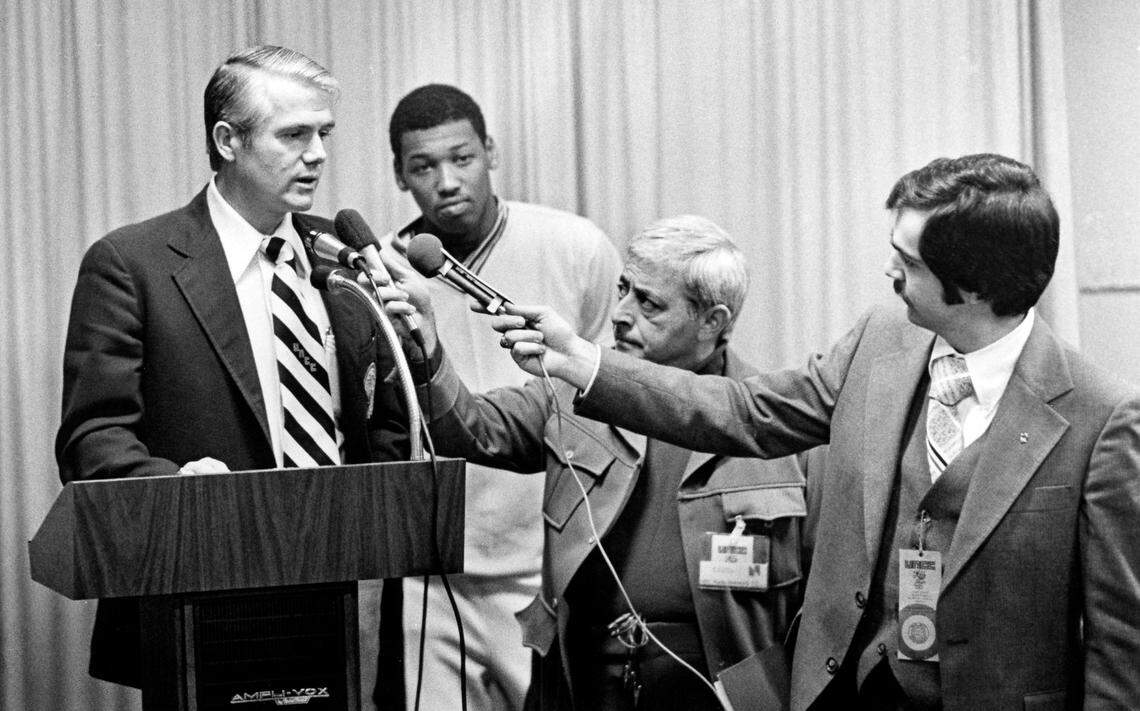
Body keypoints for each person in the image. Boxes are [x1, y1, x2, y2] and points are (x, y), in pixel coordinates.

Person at [490, 154, 1140, 708]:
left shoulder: (1099, 418)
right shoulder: (880, 342)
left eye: (907, 263)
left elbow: (1121, 645)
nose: (891, 275)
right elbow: (745, 409)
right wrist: (583, 362)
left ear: (969, 286)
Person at [56, 45, 405, 689]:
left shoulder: (342, 256)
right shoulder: (133, 264)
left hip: (348, 596)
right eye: (294, 134)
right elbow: (92, 439)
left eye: (324, 133)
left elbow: (382, 426)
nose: (319, 154)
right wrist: (180, 487)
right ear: (228, 141)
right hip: (205, 597)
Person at [387, 215, 805, 710]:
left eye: (648, 302)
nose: (621, 313)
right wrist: (424, 344)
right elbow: (470, 427)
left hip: (718, 691)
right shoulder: (574, 392)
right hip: (582, 680)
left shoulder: (774, 428)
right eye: (624, 289)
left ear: (712, 321)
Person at [367, 83, 621, 711]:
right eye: (423, 166)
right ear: (400, 176)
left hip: (547, 561)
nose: (447, 181)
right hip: (432, 574)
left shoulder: (575, 246)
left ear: (492, 152)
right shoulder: (385, 276)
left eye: (463, 158)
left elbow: (616, 394)